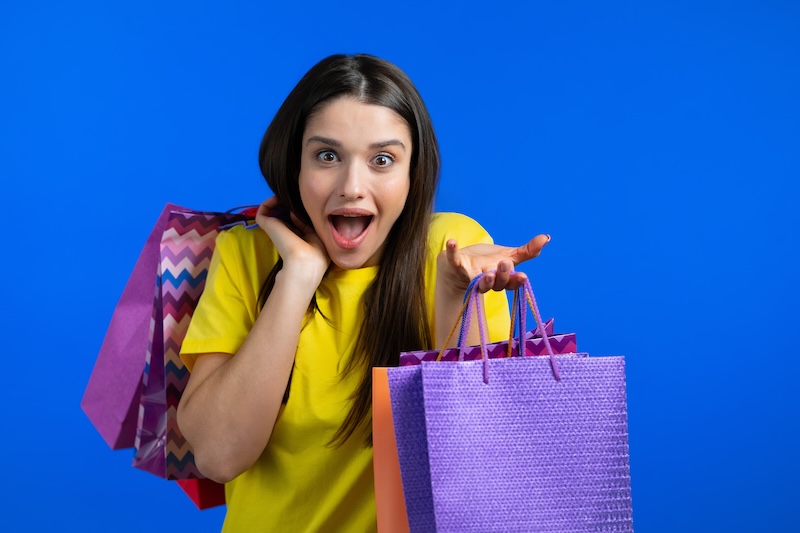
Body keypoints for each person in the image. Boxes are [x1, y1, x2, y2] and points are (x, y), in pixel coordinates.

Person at [177, 53, 549, 531]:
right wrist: (298, 275)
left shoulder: (448, 251)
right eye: (327, 156)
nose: (352, 187)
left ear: (414, 174)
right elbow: (218, 455)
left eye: (382, 160)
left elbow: (473, 461)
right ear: (295, 165)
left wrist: (455, 294)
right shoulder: (246, 255)